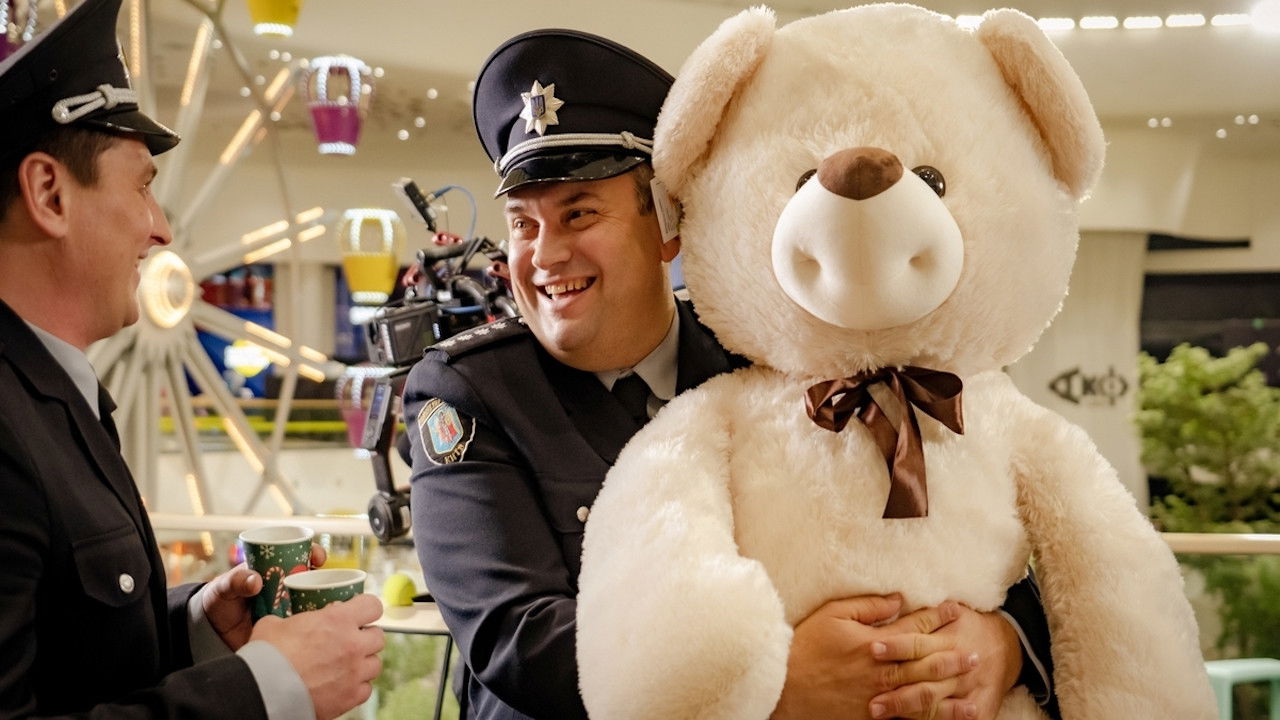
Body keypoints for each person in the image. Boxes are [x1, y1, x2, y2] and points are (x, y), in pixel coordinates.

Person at [404, 29, 1059, 720]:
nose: (545, 255)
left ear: (667, 225)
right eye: (523, 225)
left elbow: (963, 517)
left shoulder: (771, 354)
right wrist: (769, 686)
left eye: (580, 214)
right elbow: (518, 639)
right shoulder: (472, 392)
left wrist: (1001, 643)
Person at [0, 0, 384, 718]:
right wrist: (263, 688)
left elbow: (73, 657)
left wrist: (196, 626)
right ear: (50, 193)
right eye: (143, 185)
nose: (162, 231)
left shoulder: (52, 393)